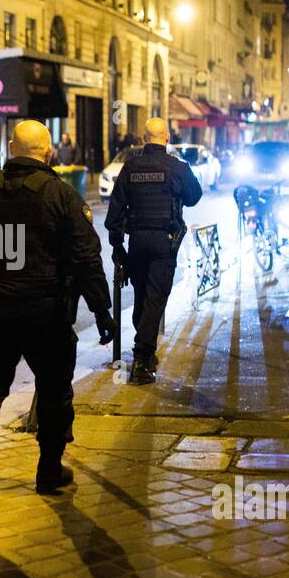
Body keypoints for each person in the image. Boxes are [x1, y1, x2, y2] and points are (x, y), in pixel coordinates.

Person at [0, 120, 116, 515]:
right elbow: (86, 258)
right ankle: (48, 470)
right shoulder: (60, 195)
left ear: (11, 148)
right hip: (47, 312)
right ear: (48, 152)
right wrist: (102, 310)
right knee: (55, 387)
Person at [106, 116, 203, 386]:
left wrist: (117, 245)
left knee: (142, 298)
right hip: (164, 241)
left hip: (136, 241)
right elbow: (194, 197)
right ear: (167, 137)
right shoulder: (177, 167)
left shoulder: (130, 166)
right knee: (155, 300)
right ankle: (141, 359)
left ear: (144, 138)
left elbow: (115, 209)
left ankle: (145, 352)